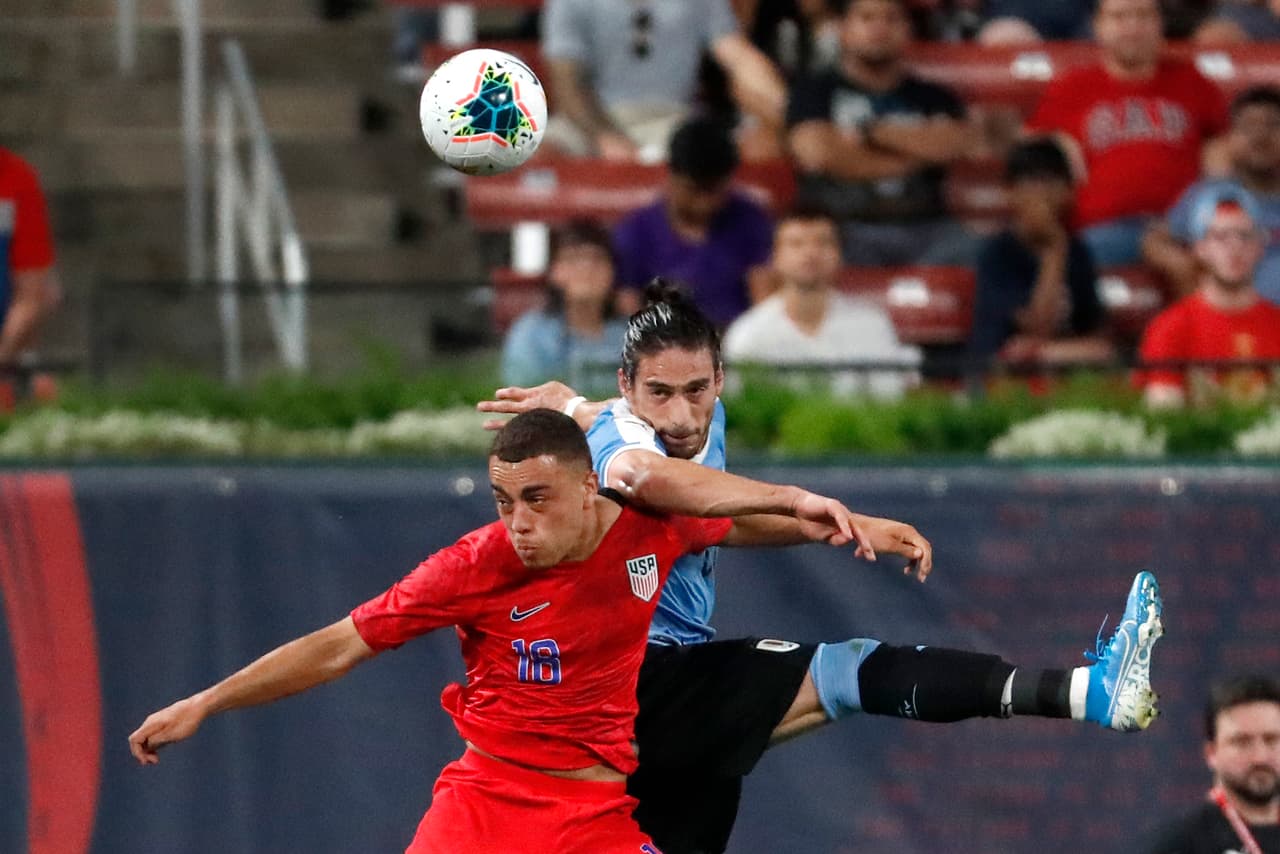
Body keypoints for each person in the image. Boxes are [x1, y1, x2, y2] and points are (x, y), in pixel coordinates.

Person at [480, 281, 1167, 854]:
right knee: (847, 670)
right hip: (629, 681)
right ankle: (1084, 691)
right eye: (660, 392)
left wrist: (831, 526)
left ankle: (1087, 692)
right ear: (627, 385)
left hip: (650, 702)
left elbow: (711, 521)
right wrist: (793, 496)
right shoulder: (620, 436)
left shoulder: (682, 422)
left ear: (720, 377)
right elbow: (643, 477)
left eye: (697, 389)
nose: (682, 413)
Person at [127, 408, 872, 852]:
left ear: (589, 487)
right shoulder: (472, 566)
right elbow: (338, 646)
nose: (517, 521)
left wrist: (850, 524)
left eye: (537, 498)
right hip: (482, 809)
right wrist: (206, 702)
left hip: (594, 819)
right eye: (503, 499)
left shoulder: (650, 527)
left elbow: (740, 523)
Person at [1027, 0, 1230, 267]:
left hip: (1181, 230)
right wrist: (1054, 143)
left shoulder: (1194, 81)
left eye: (1143, 16)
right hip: (1101, 230)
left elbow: (1222, 155)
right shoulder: (1071, 89)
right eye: (1120, 17)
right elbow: (1031, 159)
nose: (1132, 28)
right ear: (1098, 26)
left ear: (1160, 23)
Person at [786, 0, 979, 266]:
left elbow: (953, 144)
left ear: (907, 30)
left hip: (928, 226)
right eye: (867, 18)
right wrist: (914, 154)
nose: (880, 28)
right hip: (846, 228)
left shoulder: (935, 96)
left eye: (891, 19)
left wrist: (870, 134)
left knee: (980, 250)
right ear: (843, 29)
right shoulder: (814, 92)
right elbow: (818, 154)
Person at [540, 0, 786, 161]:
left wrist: (790, 112)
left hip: (674, 120)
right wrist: (606, 138)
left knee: (752, 149)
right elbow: (567, 85)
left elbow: (739, 57)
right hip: (593, 120)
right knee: (537, 154)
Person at [723, 204, 921, 399]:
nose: (810, 253)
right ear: (775, 257)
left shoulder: (872, 325)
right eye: (796, 244)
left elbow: (887, 405)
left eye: (823, 242)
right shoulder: (748, 335)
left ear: (839, 255)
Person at [612, 116, 775, 327]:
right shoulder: (636, 231)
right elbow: (628, 308)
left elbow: (764, 304)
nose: (704, 204)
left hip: (735, 343)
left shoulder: (752, 221)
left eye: (713, 191)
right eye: (694, 191)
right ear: (670, 175)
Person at [969, 137, 1114, 367]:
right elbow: (1038, 326)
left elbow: (1093, 330)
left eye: (1051, 182)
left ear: (1069, 191)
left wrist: (1051, 352)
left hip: (1060, 365)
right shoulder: (999, 253)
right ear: (1010, 192)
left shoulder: (1078, 252)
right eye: (1032, 182)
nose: (1042, 194)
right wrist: (1055, 248)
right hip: (1003, 376)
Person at [1138, 185, 1280, 408]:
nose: (1235, 247)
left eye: (1245, 236)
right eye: (1220, 236)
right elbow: (1163, 415)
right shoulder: (1170, 327)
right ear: (1200, 248)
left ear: (1260, 247)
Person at [1144, 86, 1280, 303]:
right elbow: (1155, 239)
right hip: (1230, 324)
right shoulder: (1209, 195)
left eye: (1273, 125)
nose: (1260, 136)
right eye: (1248, 126)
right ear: (1230, 138)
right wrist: (1180, 265)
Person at [1144, 674, 1280, 854]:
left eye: (1271, 740)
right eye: (1242, 742)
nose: (1260, 757)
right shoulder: (1178, 844)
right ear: (1211, 753)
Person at [501, 219, 630, 396]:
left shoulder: (631, 336)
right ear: (554, 271)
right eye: (574, 259)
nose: (587, 268)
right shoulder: (531, 336)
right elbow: (522, 400)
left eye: (597, 259)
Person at [0, 146, 61, 374]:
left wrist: (4, 354)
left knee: (48, 292)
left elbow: (33, 293)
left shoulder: (16, 178)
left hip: (6, 340)